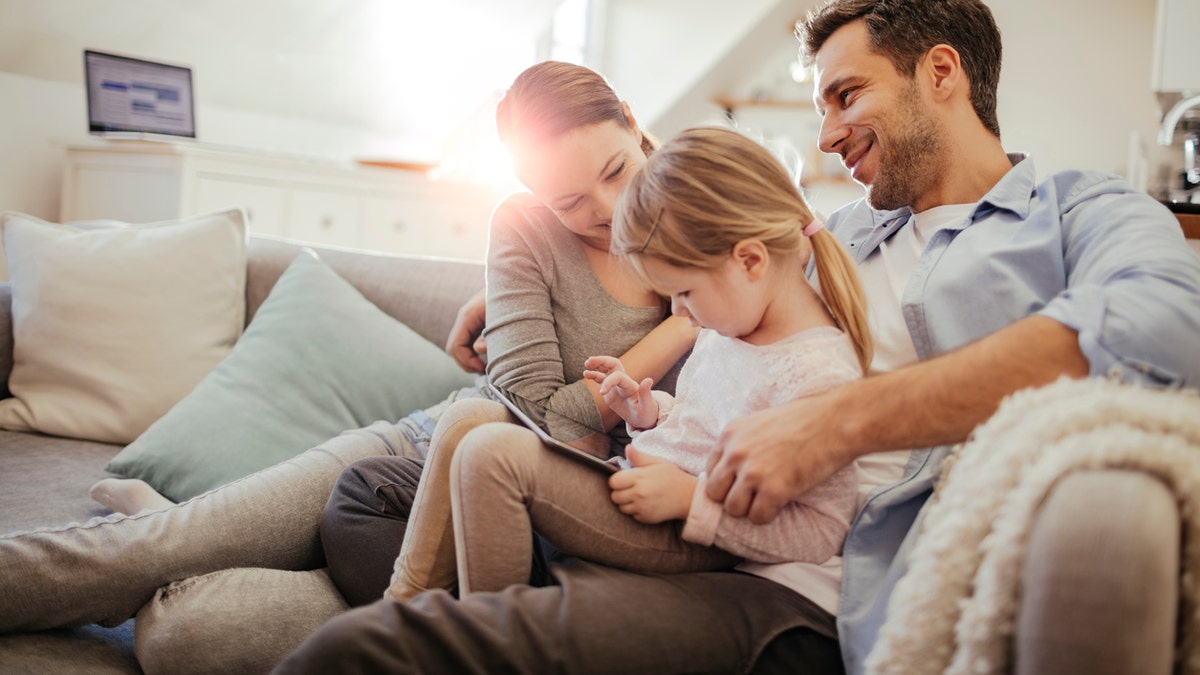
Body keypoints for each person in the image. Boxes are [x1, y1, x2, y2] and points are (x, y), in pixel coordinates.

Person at [276, 0, 1200, 673]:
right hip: (679, 470)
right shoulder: (832, 234)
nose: (828, 131)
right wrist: (507, 297)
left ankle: (538, 600)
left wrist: (838, 424)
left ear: (943, 74)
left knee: (373, 646)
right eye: (822, 107)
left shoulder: (1076, 211)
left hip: (798, 561)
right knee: (367, 495)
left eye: (846, 95)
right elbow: (698, 285)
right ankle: (544, 583)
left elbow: (1163, 326)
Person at [0, 60, 695, 669]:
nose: (607, 210)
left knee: (184, 638)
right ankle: (185, 529)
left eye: (615, 171)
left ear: (633, 124)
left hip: (530, 537)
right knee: (154, 550)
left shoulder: (708, 224)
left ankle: (196, 536)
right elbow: (531, 410)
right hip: (417, 459)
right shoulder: (528, 226)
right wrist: (676, 331)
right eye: (569, 201)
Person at [386, 127, 870, 601]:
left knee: (490, 455)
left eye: (684, 291)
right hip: (642, 485)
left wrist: (691, 501)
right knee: (470, 426)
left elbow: (820, 531)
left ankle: (481, 640)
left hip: (690, 535)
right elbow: (703, 427)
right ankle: (417, 611)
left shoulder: (816, 375)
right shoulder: (732, 329)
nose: (679, 313)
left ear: (750, 261)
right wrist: (650, 412)